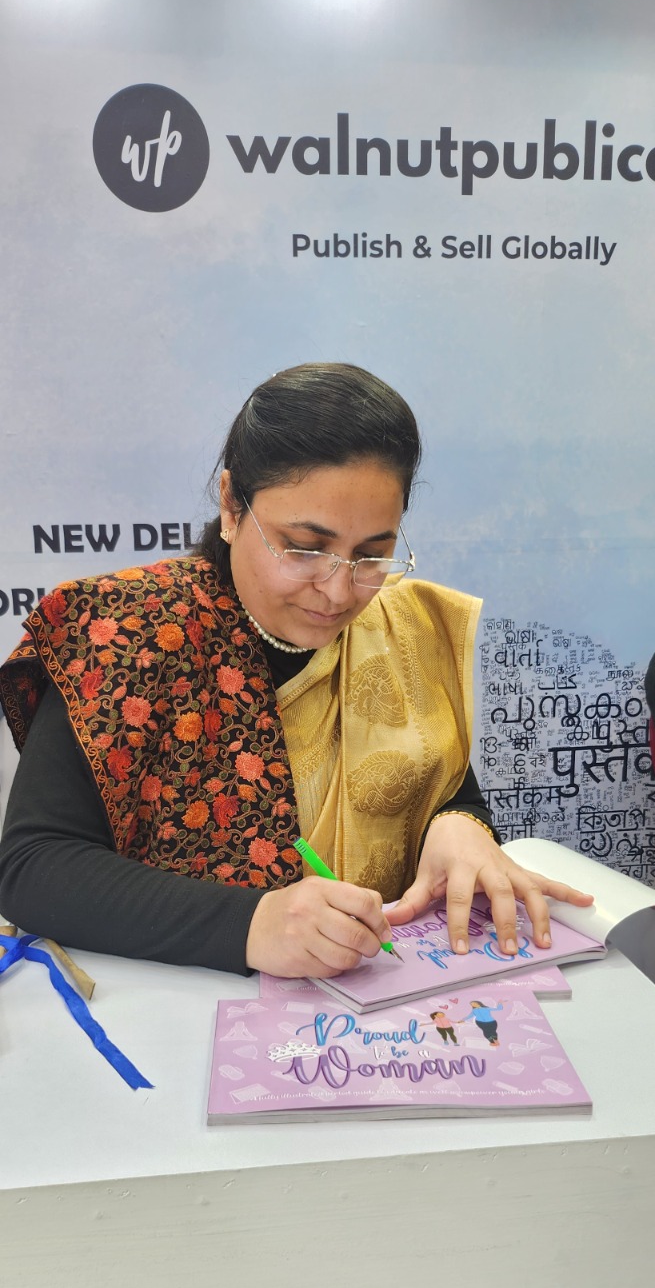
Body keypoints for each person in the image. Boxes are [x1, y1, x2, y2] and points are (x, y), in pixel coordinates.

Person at [0, 362, 593, 979]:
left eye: (372, 554)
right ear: (232, 506)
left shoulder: (403, 633)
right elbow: (35, 865)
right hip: (180, 1013)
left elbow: (449, 794)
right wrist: (249, 924)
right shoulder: (129, 633)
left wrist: (461, 829)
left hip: (386, 1008)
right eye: (304, 547)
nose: (338, 591)